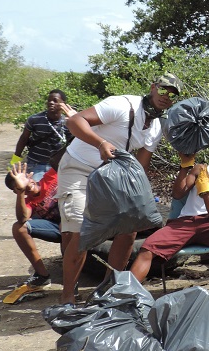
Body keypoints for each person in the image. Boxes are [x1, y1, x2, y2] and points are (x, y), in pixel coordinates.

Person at [56, 73, 182, 305]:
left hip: (111, 179)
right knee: (80, 231)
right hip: (79, 169)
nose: (166, 96)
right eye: (164, 90)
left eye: (172, 95)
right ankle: (68, 297)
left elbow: (140, 166)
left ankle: (107, 291)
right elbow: (74, 122)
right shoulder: (122, 105)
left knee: (130, 227)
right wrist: (101, 143)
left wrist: (141, 198)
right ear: (153, 87)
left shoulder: (154, 127)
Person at [130, 144, 209, 309]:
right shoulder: (201, 169)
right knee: (148, 247)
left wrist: (205, 191)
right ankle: (127, 294)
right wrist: (185, 168)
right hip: (184, 222)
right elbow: (178, 194)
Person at [3, 161, 63, 296]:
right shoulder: (29, 202)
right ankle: (42, 275)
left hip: (77, 220)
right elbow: (22, 219)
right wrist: (20, 193)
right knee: (19, 228)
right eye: (18, 185)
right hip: (58, 229)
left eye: (25, 179)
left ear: (30, 176)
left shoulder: (51, 176)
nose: (25, 184)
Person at [12, 90, 75, 180]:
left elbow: (73, 143)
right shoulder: (35, 119)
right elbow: (24, 138)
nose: (51, 102)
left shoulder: (68, 122)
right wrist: (15, 159)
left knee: (52, 193)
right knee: (35, 192)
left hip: (56, 167)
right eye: (49, 100)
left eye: (55, 100)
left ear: (63, 104)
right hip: (35, 164)